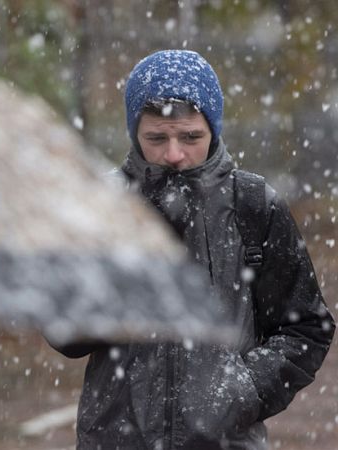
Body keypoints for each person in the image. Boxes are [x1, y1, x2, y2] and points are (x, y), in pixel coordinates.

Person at [50, 49, 335, 449]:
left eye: (190, 137)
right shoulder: (103, 204)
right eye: (156, 138)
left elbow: (306, 327)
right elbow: (64, 333)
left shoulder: (253, 204)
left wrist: (243, 389)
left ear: (213, 129)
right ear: (135, 132)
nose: (173, 154)